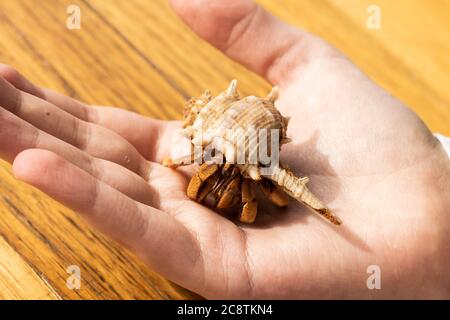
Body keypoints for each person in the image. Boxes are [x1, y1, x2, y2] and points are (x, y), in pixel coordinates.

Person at [0, 0, 448, 299]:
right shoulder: (213, 157)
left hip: (244, 150)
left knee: (251, 200)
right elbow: (188, 162)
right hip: (226, 143)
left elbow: (269, 187)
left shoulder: (256, 167)